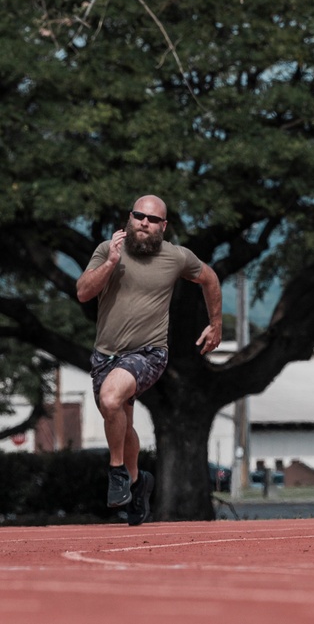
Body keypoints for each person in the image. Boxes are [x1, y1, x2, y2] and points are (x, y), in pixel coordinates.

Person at [76, 195, 222, 526]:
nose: (145, 222)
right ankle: (139, 484)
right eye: (139, 215)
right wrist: (111, 262)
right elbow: (84, 292)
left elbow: (210, 279)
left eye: (153, 219)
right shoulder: (107, 250)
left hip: (149, 353)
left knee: (111, 398)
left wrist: (216, 324)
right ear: (130, 218)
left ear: (163, 226)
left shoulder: (176, 257)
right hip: (105, 355)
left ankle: (116, 473)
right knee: (120, 420)